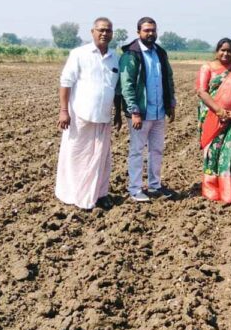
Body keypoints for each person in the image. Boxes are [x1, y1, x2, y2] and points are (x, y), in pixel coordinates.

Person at [55, 17, 122, 209]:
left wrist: (117, 113)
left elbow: (117, 89)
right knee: (76, 156)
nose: (104, 33)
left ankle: (100, 194)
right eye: (101, 30)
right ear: (92, 32)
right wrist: (63, 111)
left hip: (103, 117)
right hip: (80, 116)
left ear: (112, 34)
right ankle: (72, 195)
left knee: (101, 158)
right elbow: (66, 82)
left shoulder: (115, 57)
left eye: (108, 30)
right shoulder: (79, 54)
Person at [120, 17, 176, 202]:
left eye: (153, 30)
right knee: (137, 151)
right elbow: (127, 85)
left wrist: (171, 103)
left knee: (157, 150)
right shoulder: (132, 54)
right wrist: (134, 111)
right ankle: (135, 189)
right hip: (141, 113)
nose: (150, 33)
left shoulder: (160, 52)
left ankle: (154, 185)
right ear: (138, 32)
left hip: (159, 112)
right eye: (146, 30)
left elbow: (168, 78)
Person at [195, 38, 231, 203]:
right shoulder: (207, 68)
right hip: (213, 119)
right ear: (217, 51)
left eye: (229, 51)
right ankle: (213, 193)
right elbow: (202, 92)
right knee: (213, 154)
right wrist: (219, 111)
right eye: (223, 50)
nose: (226, 53)